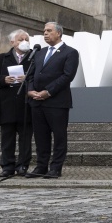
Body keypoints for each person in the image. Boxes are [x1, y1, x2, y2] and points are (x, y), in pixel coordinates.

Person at [26, 22, 79, 179]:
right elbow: (30, 74)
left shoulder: (70, 52)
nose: (45, 33)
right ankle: (41, 166)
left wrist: (48, 92)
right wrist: (30, 90)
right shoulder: (39, 53)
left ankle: (56, 168)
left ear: (59, 33)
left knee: (59, 135)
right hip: (36, 101)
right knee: (40, 136)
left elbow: (67, 76)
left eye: (49, 31)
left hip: (56, 102)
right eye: (44, 31)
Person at [0, 29, 34, 178]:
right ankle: (7, 166)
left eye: (26, 39)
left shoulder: (34, 57)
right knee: (7, 138)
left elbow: (40, 76)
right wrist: (4, 80)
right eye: (21, 39)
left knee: (25, 138)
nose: (24, 42)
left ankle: (23, 165)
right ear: (12, 42)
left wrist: (27, 78)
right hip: (7, 103)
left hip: (26, 104)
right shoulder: (1, 58)